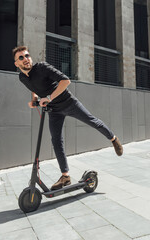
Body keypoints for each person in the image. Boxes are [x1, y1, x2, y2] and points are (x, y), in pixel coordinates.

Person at [12, 46, 123, 190]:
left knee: (92, 121)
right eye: (21, 57)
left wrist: (49, 97)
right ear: (16, 64)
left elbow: (65, 81)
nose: (26, 59)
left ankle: (113, 139)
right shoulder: (22, 77)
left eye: (27, 55)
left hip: (68, 103)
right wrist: (34, 99)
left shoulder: (42, 67)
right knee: (56, 140)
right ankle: (65, 176)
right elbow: (33, 85)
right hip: (53, 110)